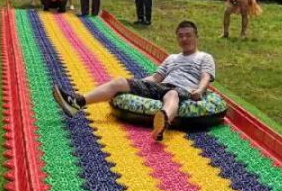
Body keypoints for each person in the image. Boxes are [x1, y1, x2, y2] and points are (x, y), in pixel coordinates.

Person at [52, 20, 215, 141]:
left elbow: (205, 76)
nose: (184, 39)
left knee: (172, 95)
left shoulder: (204, 57)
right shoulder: (172, 58)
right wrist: (135, 85)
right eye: (181, 36)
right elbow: (156, 78)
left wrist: (199, 90)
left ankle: (162, 122)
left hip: (182, 88)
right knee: (119, 82)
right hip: (161, 86)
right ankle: (78, 102)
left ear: (196, 37)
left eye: (188, 35)